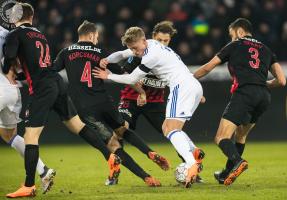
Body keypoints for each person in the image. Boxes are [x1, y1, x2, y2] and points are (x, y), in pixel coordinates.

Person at [4, 3, 121, 198]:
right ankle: (110, 156)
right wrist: (23, 74)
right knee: (77, 125)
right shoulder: (40, 35)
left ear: (16, 17)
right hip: (57, 82)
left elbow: (9, 57)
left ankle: (29, 185)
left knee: (30, 137)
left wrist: (10, 68)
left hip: (42, 87)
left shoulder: (15, 34)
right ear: (31, 17)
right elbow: (41, 63)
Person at [53, 20, 162, 186]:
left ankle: (146, 177)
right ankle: (150, 153)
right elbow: (125, 75)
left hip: (86, 109)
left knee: (113, 145)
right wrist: (141, 92)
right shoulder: (100, 52)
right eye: (96, 36)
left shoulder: (66, 52)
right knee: (122, 130)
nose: (97, 39)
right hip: (104, 102)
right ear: (91, 35)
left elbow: (51, 71)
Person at [93, 26, 205, 188]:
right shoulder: (150, 44)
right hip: (192, 85)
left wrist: (108, 75)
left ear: (144, 40)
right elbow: (122, 54)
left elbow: (131, 79)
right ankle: (194, 151)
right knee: (172, 128)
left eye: (136, 48)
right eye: (132, 49)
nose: (135, 52)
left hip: (181, 86)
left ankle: (191, 163)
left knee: (170, 129)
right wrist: (108, 60)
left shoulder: (150, 56)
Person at [193, 18, 286, 186]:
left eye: (232, 35)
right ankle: (225, 174)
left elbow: (208, 67)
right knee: (241, 135)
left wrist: (189, 79)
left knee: (221, 137)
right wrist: (263, 84)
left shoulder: (235, 45)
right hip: (264, 96)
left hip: (244, 93)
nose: (232, 38)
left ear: (240, 32)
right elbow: (281, 80)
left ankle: (238, 161)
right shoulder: (266, 49)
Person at [0, 25, 55, 194]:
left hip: (1, 88)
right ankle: (43, 170)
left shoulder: (12, 35)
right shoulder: (11, 33)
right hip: (13, 89)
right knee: (8, 134)